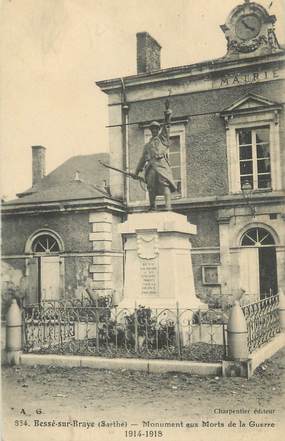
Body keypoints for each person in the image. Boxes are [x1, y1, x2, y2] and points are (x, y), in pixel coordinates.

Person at [134, 106, 177, 211]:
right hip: (151, 167)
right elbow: (142, 159)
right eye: (152, 128)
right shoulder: (147, 145)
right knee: (151, 187)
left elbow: (167, 127)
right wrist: (136, 172)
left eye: (156, 128)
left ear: (158, 130)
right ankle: (153, 207)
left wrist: (167, 115)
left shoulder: (162, 139)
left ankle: (168, 208)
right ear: (150, 130)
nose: (154, 130)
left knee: (164, 184)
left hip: (161, 165)